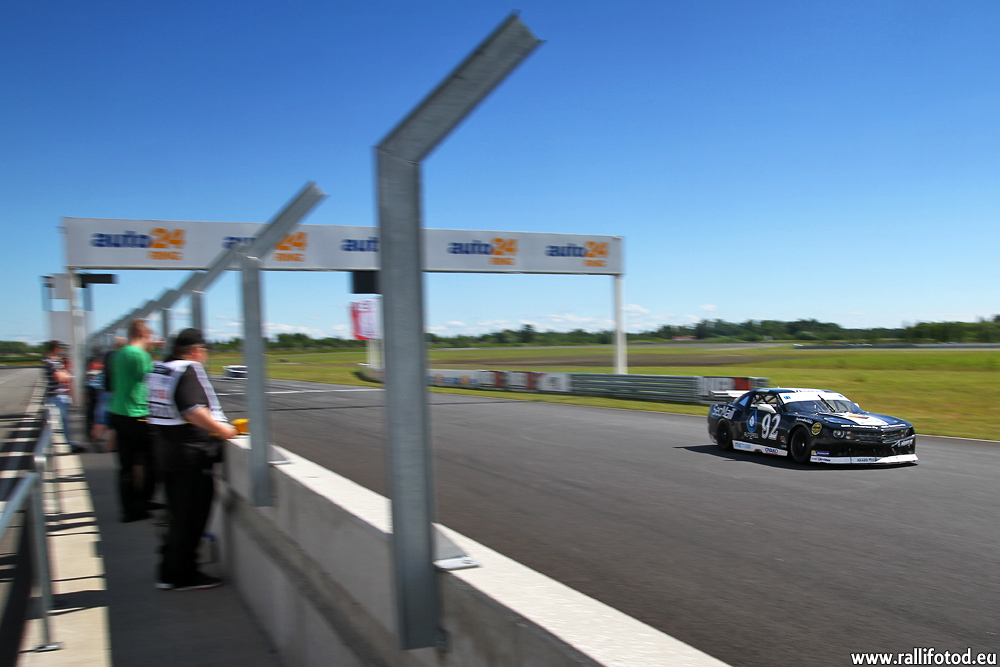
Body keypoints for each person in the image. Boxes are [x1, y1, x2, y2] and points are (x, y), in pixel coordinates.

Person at [147, 328, 235, 591]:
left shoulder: (161, 369)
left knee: (177, 516)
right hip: (190, 456)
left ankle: (168, 570)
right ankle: (182, 575)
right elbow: (192, 410)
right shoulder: (187, 370)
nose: (205, 356)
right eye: (204, 351)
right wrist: (222, 430)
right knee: (191, 518)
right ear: (196, 351)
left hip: (166, 451)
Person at [109, 320, 156, 522]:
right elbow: (153, 381)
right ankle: (143, 500)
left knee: (126, 465)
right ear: (143, 334)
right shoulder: (141, 355)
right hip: (138, 413)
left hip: (119, 411)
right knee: (150, 462)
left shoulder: (119, 354)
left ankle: (128, 508)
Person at [43, 340, 84, 453]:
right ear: (55, 349)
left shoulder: (57, 361)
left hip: (61, 395)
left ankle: (71, 444)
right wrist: (65, 375)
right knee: (54, 423)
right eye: (61, 348)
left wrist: (65, 375)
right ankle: (49, 448)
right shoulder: (49, 361)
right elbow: (60, 377)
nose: (62, 350)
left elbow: (66, 375)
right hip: (56, 396)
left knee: (64, 422)